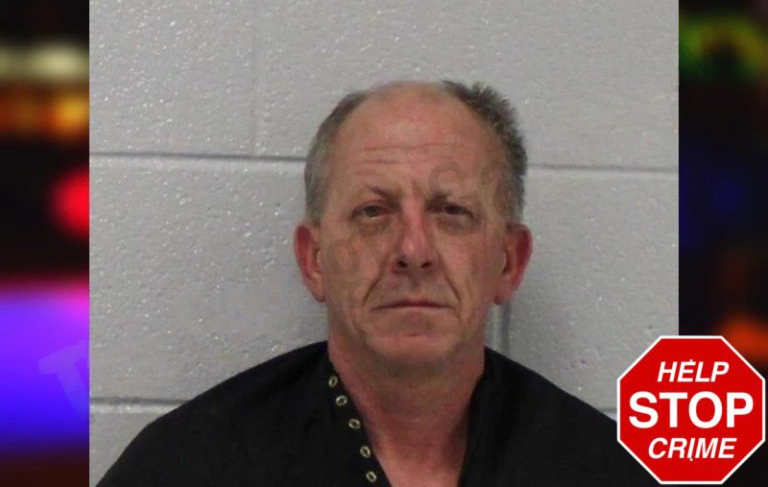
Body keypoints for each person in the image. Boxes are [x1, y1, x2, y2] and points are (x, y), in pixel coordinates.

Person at [98, 80, 652, 486]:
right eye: (372, 212)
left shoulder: (600, 469)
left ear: (508, 262)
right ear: (314, 260)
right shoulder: (191, 466)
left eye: (452, 211)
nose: (413, 251)